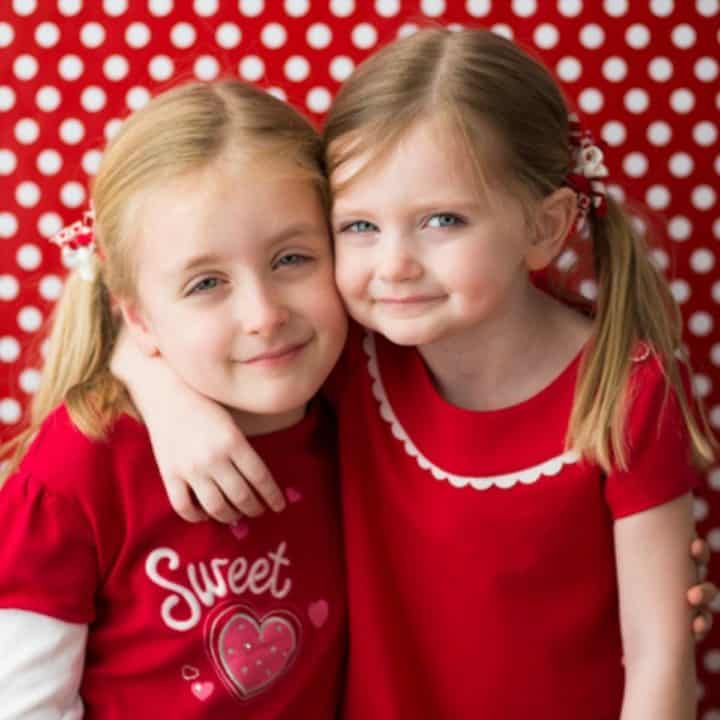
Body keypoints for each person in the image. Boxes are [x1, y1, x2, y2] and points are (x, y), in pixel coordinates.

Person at [111, 29, 718, 720]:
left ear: (546, 228)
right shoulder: (350, 356)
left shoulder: (625, 389)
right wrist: (169, 402)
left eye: (441, 220)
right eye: (361, 226)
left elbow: (661, 660)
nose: (394, 264)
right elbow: (138, 317)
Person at [0, 79, 349, 718]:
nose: (263, 315)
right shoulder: (84, 463)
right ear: (140, 319)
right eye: (207, 282)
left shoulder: (361, 414)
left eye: (292, 258)